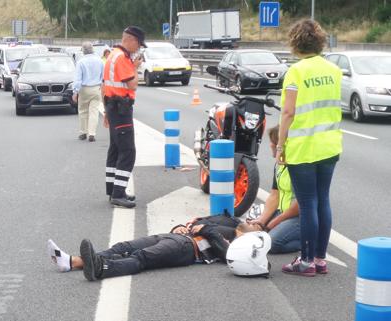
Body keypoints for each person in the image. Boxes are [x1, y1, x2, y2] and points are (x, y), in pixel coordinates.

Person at [276, 19, 342, 277]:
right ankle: (320, 259)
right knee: (322, 200)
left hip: (303, 147)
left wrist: (280, 144)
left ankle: (305, 262)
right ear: (320, 41)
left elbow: (289, 111)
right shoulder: (333, 70)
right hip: (329, 144)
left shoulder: (296, 71)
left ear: (295, 42)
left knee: (307, 203)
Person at [47, 214, 264, 281]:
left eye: (258, 226)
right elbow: (201, 222)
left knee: (142, 257)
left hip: (188, 249)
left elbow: (224, 253)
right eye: (255, 221)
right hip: (175, 237)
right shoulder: (232, 224)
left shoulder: (240, 246)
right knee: (125, 245)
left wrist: (206, 228)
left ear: (256, 236)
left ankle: (101, 268)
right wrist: (182, 226)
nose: (255, 222)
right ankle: (73, 262)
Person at [103, 26, 146, 209]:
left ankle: (113, 189)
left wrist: (106, 111)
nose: (138, 49)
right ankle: (118, 194)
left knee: (115, 149)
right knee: (128, 151)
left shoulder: (112, 55)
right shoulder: (122, 58)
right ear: (131, 40)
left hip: (113, 107)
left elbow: (104, 85)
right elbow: (133, 85)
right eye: (138, 44)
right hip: (121, 109)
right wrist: (135, 68)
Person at [248, 125, 301, 254]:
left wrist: (273, 224)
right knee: (253, 230)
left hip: (299, 216)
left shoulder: (299, 167)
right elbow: (274, 195)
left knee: (270, 243)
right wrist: (261, 222)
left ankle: (309, 240)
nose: (271, 145)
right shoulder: (280, 164)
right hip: (282, 213)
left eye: (273, 142)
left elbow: (300, 205)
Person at [72, 42, 104, 142]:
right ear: (93, 49)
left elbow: (78, 79)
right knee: (94, 112)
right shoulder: (100, 61)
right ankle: (92, 134)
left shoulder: (81, 62)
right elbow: (103, 76)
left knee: (83, 111)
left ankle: (83, 132)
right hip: (96, 88)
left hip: (84, 89)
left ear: (83, 51)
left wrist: (75, 91)